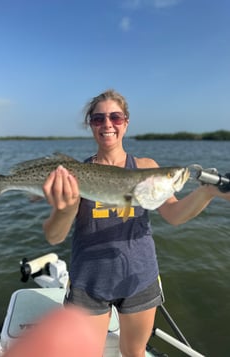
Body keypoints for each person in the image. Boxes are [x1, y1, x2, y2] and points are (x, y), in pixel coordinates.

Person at [42, 89, 230, 357]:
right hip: (89, 281)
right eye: (99, 119)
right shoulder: (75, 175)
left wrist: (209, 192)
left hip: (139, 278)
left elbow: (174, 214)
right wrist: (63, 209)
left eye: (115, 117)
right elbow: (53, 237)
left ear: (126, 122)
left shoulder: (145, 166)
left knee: (134, 352)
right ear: (91, 124)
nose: (108, 124)